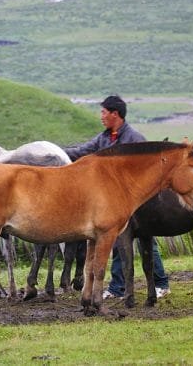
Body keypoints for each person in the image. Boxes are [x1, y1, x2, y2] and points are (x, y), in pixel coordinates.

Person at [63, 95, 170, 299]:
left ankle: (154, 283)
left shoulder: (135, 139)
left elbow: (148, 169)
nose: (101, 116)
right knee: (122, 241)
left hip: (135, 201)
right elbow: (82, 151)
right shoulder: (104, 138)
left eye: (104, 112)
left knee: (143, 242)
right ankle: (122, 286)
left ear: (115, 114)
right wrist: (57, 152)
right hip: (113, 200)